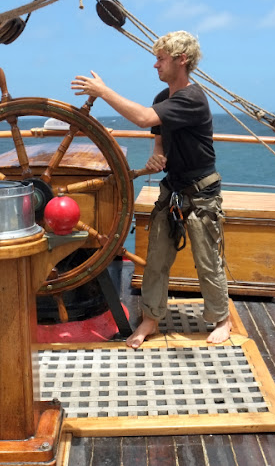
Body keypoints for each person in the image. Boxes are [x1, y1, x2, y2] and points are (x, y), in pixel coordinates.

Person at [71, 30, 231, 348]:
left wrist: (102, 92)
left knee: (207, 260)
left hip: (201, 193)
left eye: (160, 59)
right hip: (172, 189)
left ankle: (221, 317)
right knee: (156, 259)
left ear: (181, 60)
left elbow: (144, 119)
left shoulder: (192, 98)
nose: (155, 65)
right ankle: (150, 320)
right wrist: (157, 154)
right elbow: (158, 132)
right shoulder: (163, 98)